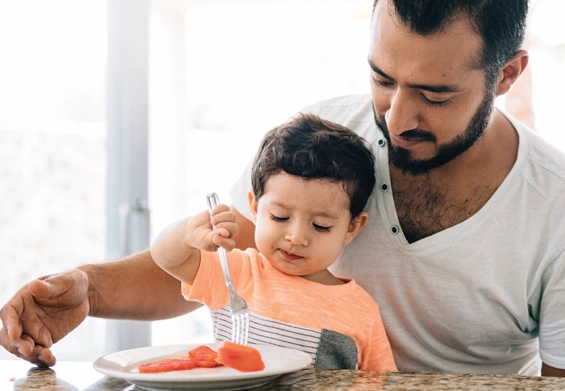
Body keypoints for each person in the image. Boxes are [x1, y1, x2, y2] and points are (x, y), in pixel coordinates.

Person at [0, 0, 565, 379]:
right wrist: (86, 289)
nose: (397, 117)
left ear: (508, 74)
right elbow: (215, 262)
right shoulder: (330, 135)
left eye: (435, 94)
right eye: (383, 77)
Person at [150, 113, 396, 371]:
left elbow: (383, 383)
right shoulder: (237, 273)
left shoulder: (361, 311)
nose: (296, 238)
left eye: (320, 226)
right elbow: (166, 257)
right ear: (255, 209)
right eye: (280, 217)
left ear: (352, 227)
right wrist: (189, 233)